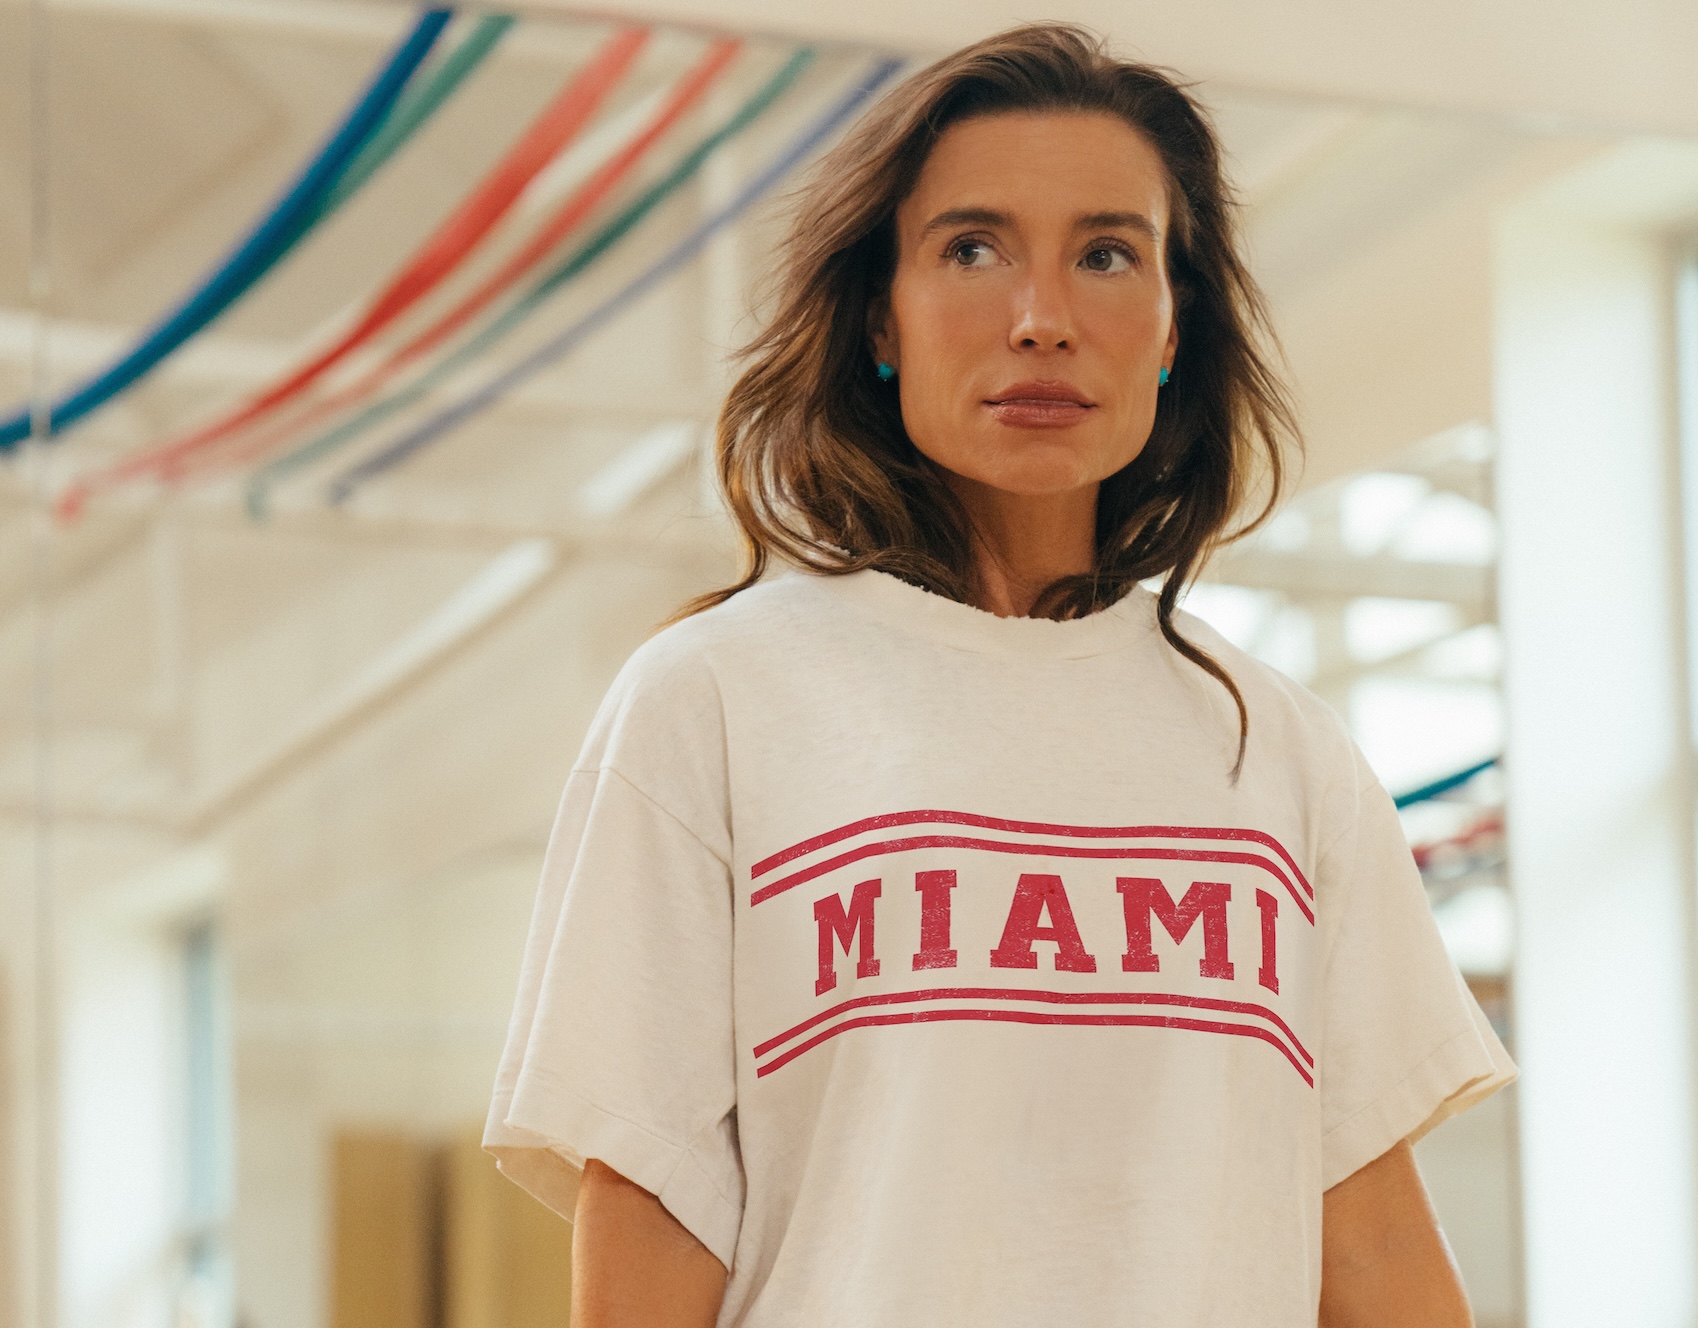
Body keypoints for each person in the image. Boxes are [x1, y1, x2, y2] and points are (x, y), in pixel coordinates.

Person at [484, 24, 1515, 1328]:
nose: (1041, 318)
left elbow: (1372, 1255)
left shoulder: (1282, 751)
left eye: (1107, 254)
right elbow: (650, 1244)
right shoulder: (715, 702)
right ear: (882, 321)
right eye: (972, 250)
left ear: (1168, 329)